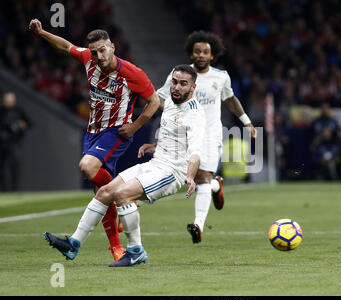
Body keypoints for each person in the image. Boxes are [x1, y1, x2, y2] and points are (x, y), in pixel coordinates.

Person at [44, 65, 204, 267]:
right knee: (104, 192)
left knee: (122, 195)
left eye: (183, 84)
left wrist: (190, 176)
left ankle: (136, 251)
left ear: (193, 88)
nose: (177, 87)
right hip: (155, 164)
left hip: (173, 172)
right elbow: (176, 135)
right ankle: (73, 244)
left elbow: (196, 153)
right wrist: (154, 146)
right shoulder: (171, 101)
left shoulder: (196, 115)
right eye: (174, 82)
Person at [29, 19, 161, 261]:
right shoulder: (88, 59)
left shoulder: (131, 73)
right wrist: (41, 32)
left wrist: (135, 126)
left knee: (87, 167)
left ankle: (120, 194)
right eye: (94, 51)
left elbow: (154, 101)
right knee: (101, 190)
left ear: (112, 47)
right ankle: (116, 247)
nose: (99, 56)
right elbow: (65, 46)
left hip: (116, 133)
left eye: (102, 49)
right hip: (92, 132)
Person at [153, 31, 257, 244]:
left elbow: (230, 100)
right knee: (188, 178)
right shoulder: (179, 75)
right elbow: (160, 98)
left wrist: (246, 121)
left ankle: (198, 225)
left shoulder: (221, 77)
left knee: (201, 177)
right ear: (190, 54)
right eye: (197, 51)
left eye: (205, 52)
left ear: (213, 55)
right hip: (182, 134)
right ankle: (217, 187)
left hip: (210, 135)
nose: (201, 55)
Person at [0, 92, 31, 191]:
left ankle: (14, 189)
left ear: (14, 101)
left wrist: (22, 125)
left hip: (14, 142)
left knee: (14, 165)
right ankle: (2, 190)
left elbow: (29, 123)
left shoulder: (19, 110)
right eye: (7, 101)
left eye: (10, 100)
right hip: (0, 142)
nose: (8, 102)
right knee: (0, 167)